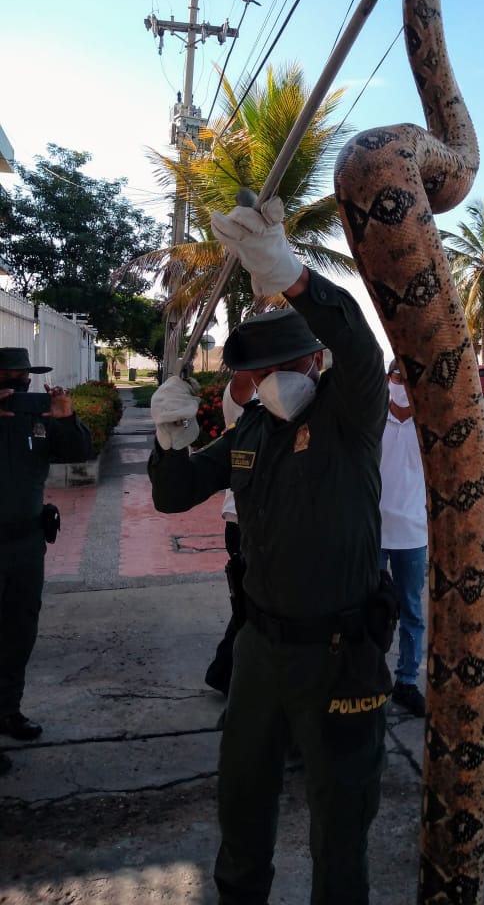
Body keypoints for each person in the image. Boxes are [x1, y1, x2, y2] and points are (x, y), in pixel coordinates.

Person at [148, 194, 390, 905]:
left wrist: (288, 272)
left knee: (341, 818)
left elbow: (359, 345)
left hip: (341, 654)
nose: (270, 380)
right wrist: (169, 442)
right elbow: (173, 496)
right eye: (258, 370)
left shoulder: (351, 417)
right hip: (259, 650)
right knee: (241, 798)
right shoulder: (250, 432)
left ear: (314, 359)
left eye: (288, 362)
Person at [0, 347, 92, 776]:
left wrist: (65, 417)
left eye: (24, 378)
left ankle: (8, 710)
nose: (19, 385)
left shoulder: (35, 418)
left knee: (20, 631)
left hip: (26, 545)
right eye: (9, 378)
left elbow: (76, 454)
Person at [204, 371, 257, 697]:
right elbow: (239, 389)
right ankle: (226, 675)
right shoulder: (250, 404)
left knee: (255, 608)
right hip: (243, 523)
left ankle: (226, 675)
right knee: (251, 607)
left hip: (276, 523)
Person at [380, 358, 427, 718]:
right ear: (388, 378)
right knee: (368, 609)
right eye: (399, 375)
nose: (403, 383)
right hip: (372, 533)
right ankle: (368, 677)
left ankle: (406, 682)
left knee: (412, 611)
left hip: (412, 534)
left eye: (410, 379)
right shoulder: (371, 419)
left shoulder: (430, 430)